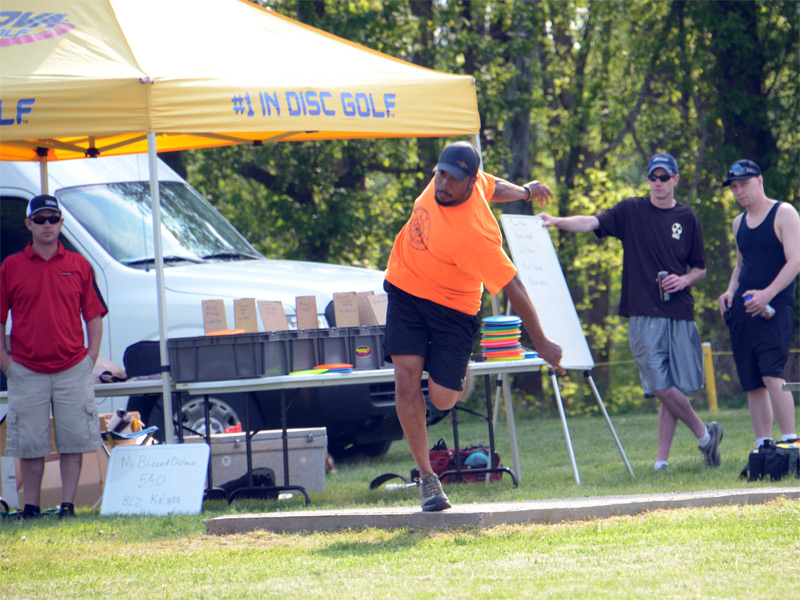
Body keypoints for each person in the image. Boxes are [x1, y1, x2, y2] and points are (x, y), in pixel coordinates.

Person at [383, 141, 563, 512]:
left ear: (469, 182)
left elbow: (514, 286)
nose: (443, 183)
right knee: (405, 379)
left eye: (453, 179)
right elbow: (495, 185)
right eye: (440, 173)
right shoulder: (453, 180)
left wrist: (543, 343)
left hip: (453, 308)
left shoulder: (476, 237)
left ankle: (451, 367)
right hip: (406, 287)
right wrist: (526, 191)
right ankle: (428, 479)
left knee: (442, 399)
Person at [537, 153, 723, 472]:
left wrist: (684, 280)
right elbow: (591, 222)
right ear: (648, 179)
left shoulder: (687, 217)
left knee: (672, 388)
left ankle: (661, 461)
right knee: (660, 386)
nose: (658, 183)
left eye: (664, 177)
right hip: (643, 312)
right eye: (653, 177)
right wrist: (556, 221)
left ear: (676, 179)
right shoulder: (631, 210)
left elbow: (700, 268)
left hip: (679, 310)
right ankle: (706, 435)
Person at [0, 195, 108, 519]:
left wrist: (91, 358)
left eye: (53, 219)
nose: (47, 225)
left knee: (73, 441)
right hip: (26, 369)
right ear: (29, 224)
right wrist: (6, 363)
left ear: (61, 223)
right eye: (40, 219)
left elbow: (94, 316)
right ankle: (30, 508)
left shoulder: (79, 265)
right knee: (29, 443)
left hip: (73, 368)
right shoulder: (10, 267)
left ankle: (68, 506)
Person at [717, 159, 799, 449]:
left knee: (772, 371)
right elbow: (741, 266)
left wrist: (768, 293)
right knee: (751, 378)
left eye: (744, 184)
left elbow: (795, 261)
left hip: (774, 309)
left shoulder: (784, 213)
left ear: (760, 181)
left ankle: (790, 442)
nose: (739, 191)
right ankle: (764, 445)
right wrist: (730, 291)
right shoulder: (738, 223)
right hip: (744, 310)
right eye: (734, 187)